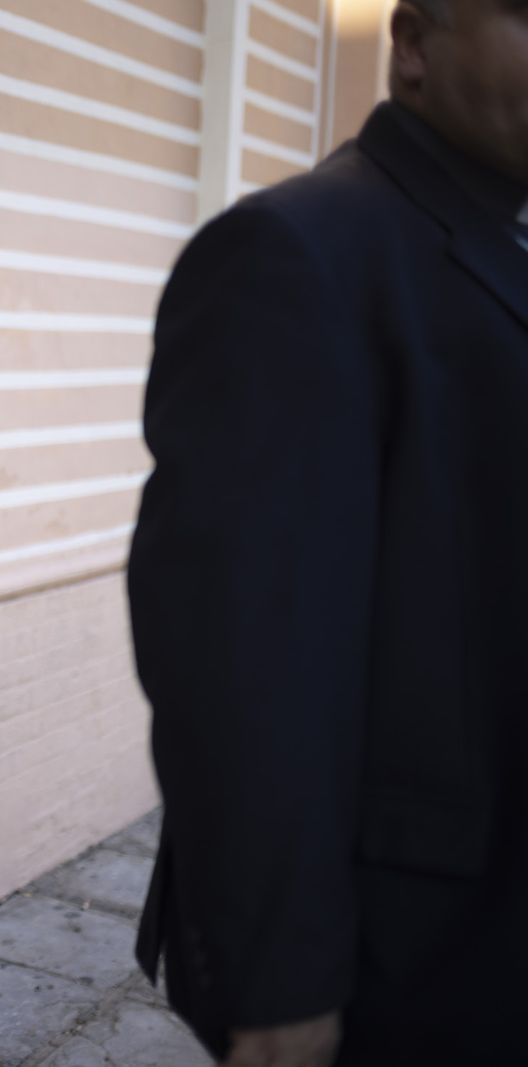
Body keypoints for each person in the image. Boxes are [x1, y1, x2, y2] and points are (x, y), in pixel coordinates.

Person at [127, 1, 528, 1064]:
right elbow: (244, 663)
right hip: (401, 965)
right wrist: (278, 989)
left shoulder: (502, 236)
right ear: (412, 45)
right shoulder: (293, 252)